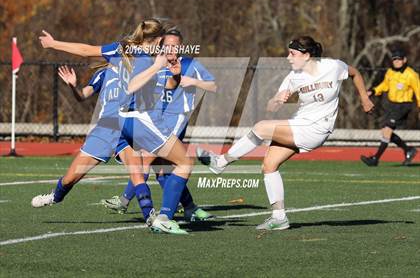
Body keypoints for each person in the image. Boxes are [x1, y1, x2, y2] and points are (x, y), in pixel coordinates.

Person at [35, 19, 197, 234]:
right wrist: (55, 45)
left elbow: (166, 85)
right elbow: (85, 52)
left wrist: (171, 73)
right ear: (158, 39)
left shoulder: (144, 56)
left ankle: (153, 215)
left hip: (129, 123)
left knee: (139, 170)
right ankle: (56, 196)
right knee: (72, 177)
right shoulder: (119, 54)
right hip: (107, 127)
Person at [196, 36, 374, 231]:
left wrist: (364, 98)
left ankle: (220, 162)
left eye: (293, 53)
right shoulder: (293, 76)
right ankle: (279, 218)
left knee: (261, 127)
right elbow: (270, 107)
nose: (288, 57)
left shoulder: (332, 66)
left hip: (316, 129)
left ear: (306, 55)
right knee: (269, 166)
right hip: (299, 125)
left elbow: (355, 74)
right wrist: (277, 100)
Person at [101, 29, 217, 222]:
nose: (170, 48)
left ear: (181, 46)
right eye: (166, 45)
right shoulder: (158, 63)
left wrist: (192, 81)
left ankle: (125, 200)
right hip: (157, 121)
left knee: (149, 160)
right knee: (162, 169)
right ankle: (189, 207)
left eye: (174, 45)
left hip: (176, 119)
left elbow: (213, 86)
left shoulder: (189, 63)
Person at [361, 49, 419, 166]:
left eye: (399, 59)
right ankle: (408, 150)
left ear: (404, 60)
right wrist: (373, 91)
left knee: (387, 131)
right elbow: (385, 85)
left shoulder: (411, 74)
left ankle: (375, 159)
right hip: (392, 105)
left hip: (403, 106)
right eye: (394, 59)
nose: (396, 62)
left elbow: (419, 92)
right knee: (385, 131)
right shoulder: (390, 72)